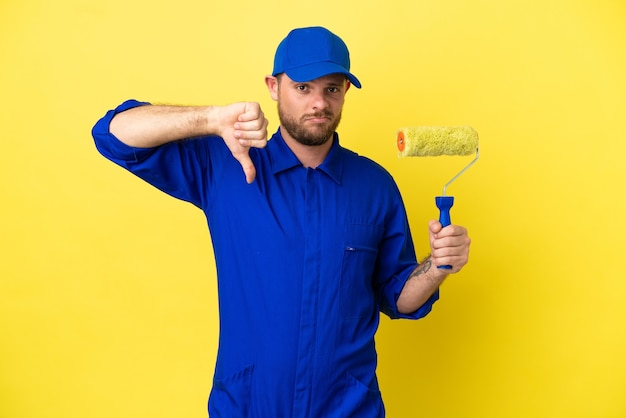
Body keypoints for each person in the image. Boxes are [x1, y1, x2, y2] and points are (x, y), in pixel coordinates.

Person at [92, 26, 470, 418]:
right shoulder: (227, 166)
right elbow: (113, 135)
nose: (319, 103)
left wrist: (438, 266)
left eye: (332, 89)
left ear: (345, 93)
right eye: (303, 87)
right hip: (247, 406)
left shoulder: (375, 187)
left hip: (347, 408)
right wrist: (213, 118)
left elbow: (398, 297)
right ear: (274, 87)